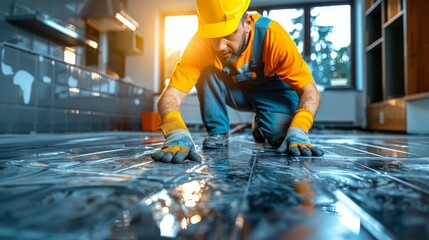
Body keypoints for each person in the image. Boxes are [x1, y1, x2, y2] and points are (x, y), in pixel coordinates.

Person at [151, 0, 324, 163]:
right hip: (237, 93)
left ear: (248, 23)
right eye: (213, 37)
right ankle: (218, 132)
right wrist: (175, 130)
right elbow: (171, 94)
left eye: (228, 34)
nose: (219, 46)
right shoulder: (199, 45)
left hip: (273, 94)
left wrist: (300, 128)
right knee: (206, 72)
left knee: (282, 138)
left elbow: (310, 91)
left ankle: (262, 124)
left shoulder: (274, 37)